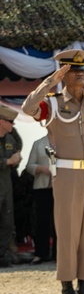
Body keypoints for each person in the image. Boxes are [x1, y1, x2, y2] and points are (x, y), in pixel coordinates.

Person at [22, 49, 84, 294]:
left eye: (83, 70)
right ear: (63, 74)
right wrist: (49, 81)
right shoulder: (51, 104)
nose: (81, 73)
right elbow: (29, 107)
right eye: (74, 70)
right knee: (68, 232)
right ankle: (67, 291)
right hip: (66, 175)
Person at [25, 136, 56, 263]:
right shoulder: (38, 143)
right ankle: (41, 253)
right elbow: (29, 166)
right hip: (42, 188)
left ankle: (59, 254)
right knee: (41, 222)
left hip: (61, 188)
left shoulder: (66, 141)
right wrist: (41, 169)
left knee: (60, 223)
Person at [0, 105, 21, 267]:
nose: (13, 125)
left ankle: (1, 254)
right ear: (2, 122)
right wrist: (6, 162)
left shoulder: (9, 139)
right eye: (10, 122)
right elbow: (9, 160)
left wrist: (17, 159)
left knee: (7, 221)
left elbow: (17, 149)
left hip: (6, 186)